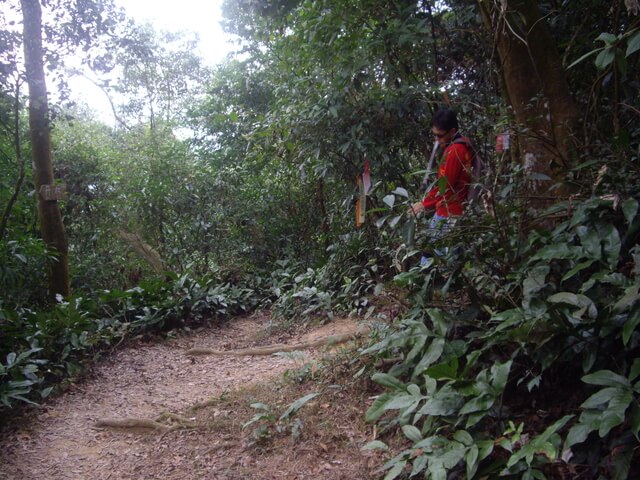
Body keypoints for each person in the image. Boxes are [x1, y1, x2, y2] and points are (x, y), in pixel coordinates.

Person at [408, 108, 473, 258]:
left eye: (440, 136)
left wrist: (423, 204)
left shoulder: (455, 151)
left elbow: (445, 186)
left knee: (432, 262)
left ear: (452, 131)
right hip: (453, 211)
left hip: (449, 213)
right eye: (435, 135)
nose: (437, 140)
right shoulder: (463, 145)